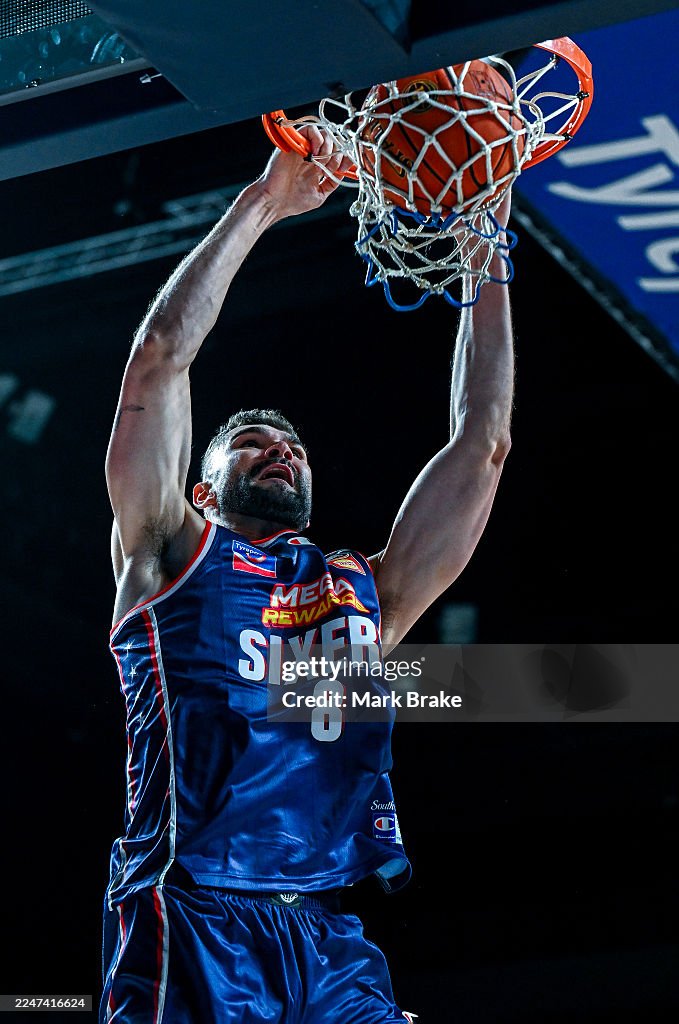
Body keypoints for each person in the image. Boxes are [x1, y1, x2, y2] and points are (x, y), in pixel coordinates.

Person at [100, 125, 514, 1023]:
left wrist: (484, 243)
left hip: (327, 938)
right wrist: (266, 200)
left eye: (290, 445)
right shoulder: (168, 549)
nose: (280, 450)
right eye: (251, 443)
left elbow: (482, 443)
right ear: (203, 488)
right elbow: (159, 360)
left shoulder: (366, 594)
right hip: (193, 905)